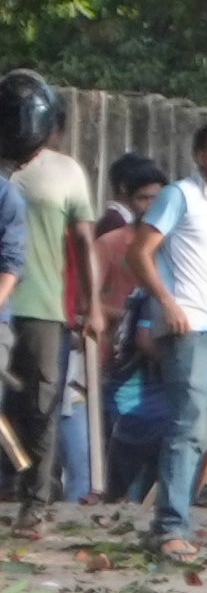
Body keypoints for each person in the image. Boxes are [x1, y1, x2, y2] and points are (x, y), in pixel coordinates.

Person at [125, 119, 207, 553]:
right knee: (187, 426)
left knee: (201, 429)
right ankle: (169, 528)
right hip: (188, 326)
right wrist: (167, 304)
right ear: (201, 155)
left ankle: (172, 520)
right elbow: (139, 251)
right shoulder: (180, 195)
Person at [2, 72, 94, 508]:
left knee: (40, 406)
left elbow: (83, 241)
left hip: (42, 305)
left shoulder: (66, 171)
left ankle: (35, 500)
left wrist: (92, 305)